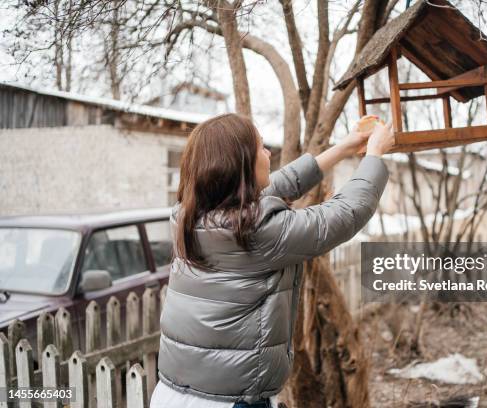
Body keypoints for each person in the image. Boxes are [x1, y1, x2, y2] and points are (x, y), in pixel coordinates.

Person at [150, 112, 394, 407]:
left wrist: (343, 147)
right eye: (261, 147)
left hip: (172, 392)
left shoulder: (188, 215)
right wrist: (375, 155)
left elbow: (281, 183)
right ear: (240, 167)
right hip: (232, 401)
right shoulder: (258, 232)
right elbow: (347, 213)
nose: (268, 153)